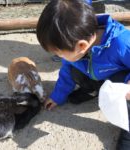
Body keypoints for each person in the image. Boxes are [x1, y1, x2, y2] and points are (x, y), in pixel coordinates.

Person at [36, 0, 130, 149]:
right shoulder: (76, 48)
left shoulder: (121, 42)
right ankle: (92, 91)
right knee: (72, 69)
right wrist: (57, 96)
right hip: (97, 74)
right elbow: (66, 72)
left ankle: (128, 133)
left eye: (59, 53)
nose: (59, 57)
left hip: (119, 81)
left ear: (81, 46)